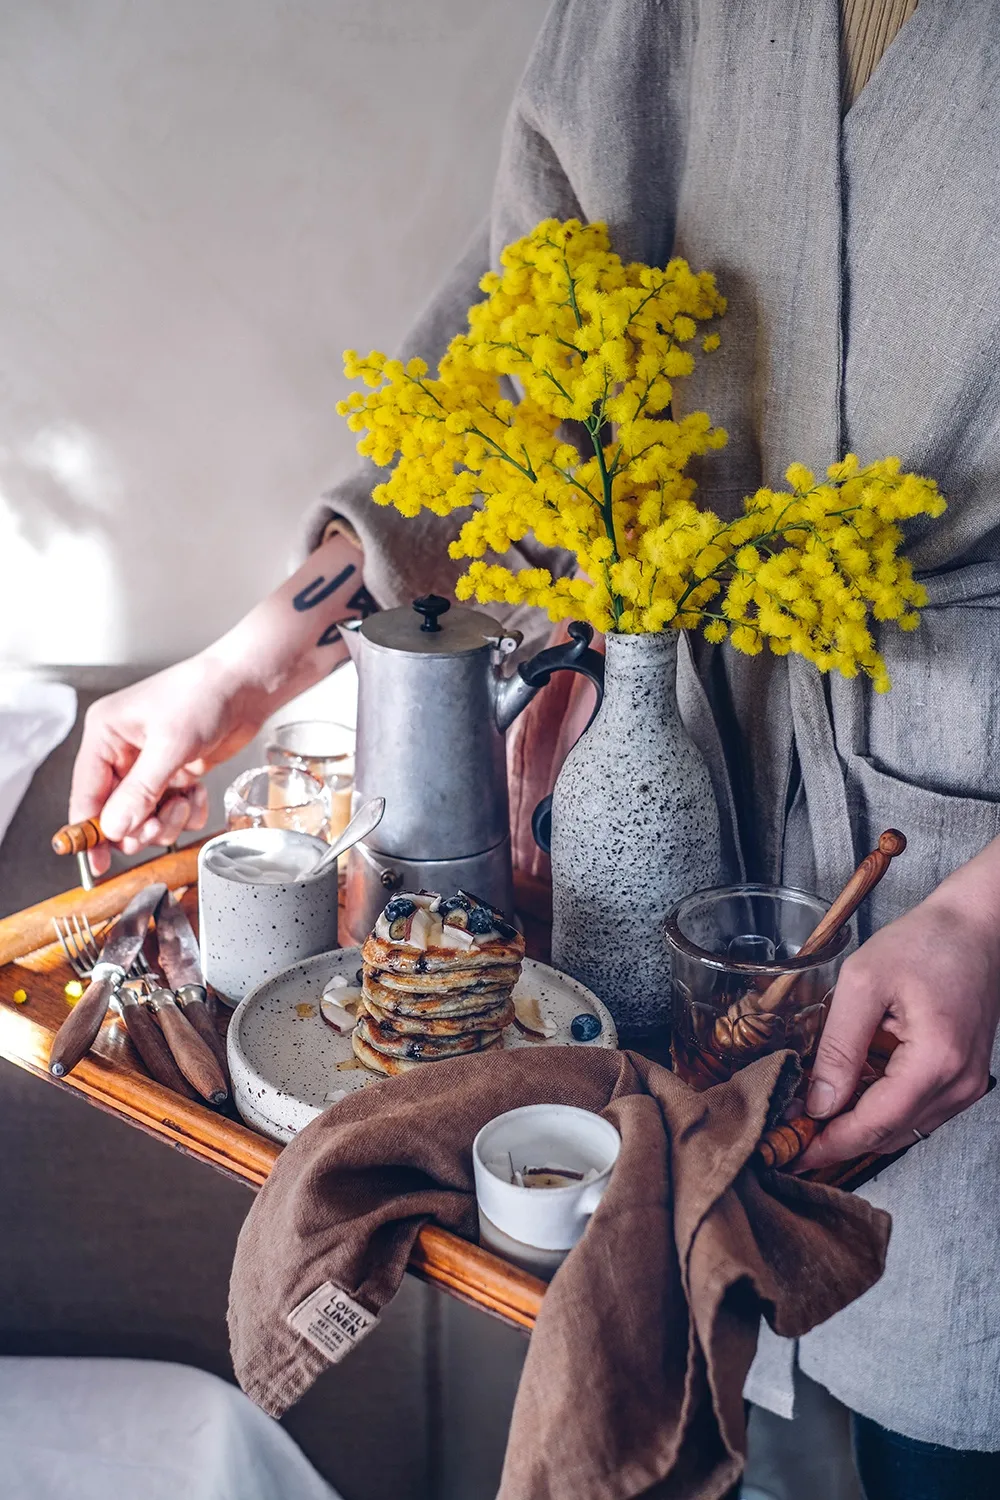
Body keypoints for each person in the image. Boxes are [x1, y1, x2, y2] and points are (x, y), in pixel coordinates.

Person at [69, 2, 1000, 1494]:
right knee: (692, 1399)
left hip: (962, 880)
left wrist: (982, 908)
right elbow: (502, 393)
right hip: (660, 849)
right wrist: (248, 668)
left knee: (949, 1416)